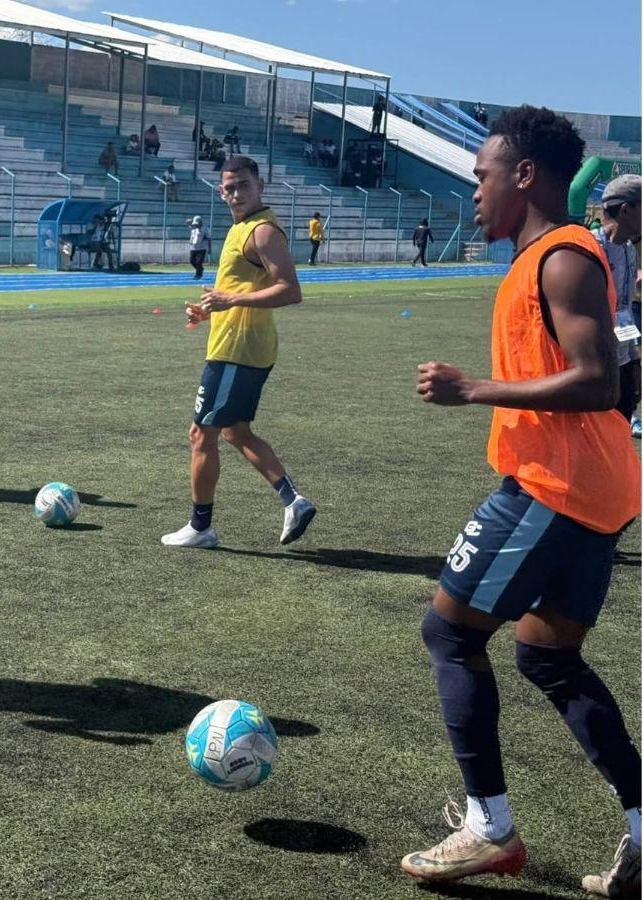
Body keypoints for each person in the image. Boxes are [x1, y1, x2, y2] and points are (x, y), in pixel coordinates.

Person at [403, 106, 641, 898]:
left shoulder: (563, 259)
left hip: (555, 486)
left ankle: (490, 828)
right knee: (546, 656)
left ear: (526, 175)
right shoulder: (544, 256)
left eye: (484, 176)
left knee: (449, 633)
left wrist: (474, 389)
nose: (475, 190)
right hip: (596, 490)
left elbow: (598, 381)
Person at [162, 155, 316, 550]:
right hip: (237, 344)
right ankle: (293, 501)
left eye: (244, 185)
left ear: (260, 186)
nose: (236, 194)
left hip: (238, 350)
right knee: (235, 431)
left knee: (200, 434)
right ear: (220, 192)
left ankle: (200, 527)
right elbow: (242, 290)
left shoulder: (262, 231)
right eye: (229, 188)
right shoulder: (240, 228)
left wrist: (229, 300)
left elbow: (291, 290)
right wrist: (209, 311)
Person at [597, 175, 642, 431]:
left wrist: (634, 362)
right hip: (595, 365)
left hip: (623, 361)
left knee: (620, 433)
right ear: (626, 210)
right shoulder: (589, 247)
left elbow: (625, 309)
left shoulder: (629, 249)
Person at [187, 215, 211, 280]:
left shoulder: (205, 229)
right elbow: (188, 222)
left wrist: (209, 248)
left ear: (201, 222)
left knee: (199, 262)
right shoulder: (193, 227)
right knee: (192, 261)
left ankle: (198, 275)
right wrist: (189, 222)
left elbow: (209, 238)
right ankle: (200, 269)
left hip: (202, 248)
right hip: (193, 247)